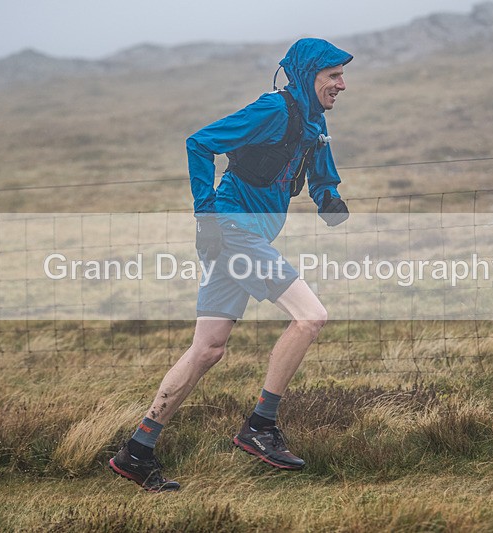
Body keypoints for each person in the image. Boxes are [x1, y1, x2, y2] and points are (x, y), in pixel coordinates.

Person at [109, 38, 353, 492]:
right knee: (311, 317)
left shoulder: (312, 119)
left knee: (208, 350)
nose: (343, 84)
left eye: (342, 75)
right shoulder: (273, 110)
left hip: (246, 234)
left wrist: (328, 196)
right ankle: (260, 425)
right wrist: (206, 217)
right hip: (232, 230)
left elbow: (318, 158)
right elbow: (200, 143)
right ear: (308, 76)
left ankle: (137, 451)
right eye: (333, 76)